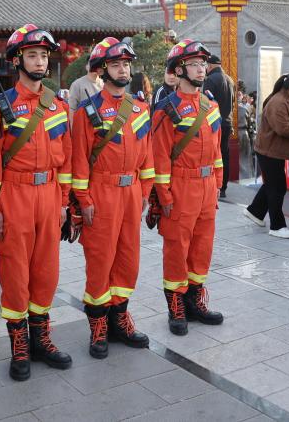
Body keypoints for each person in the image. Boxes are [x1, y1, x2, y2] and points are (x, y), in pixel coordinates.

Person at [0, 25, 73, 381]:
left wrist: (65, 202)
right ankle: (19, 346)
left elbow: (64, 160)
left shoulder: (58, 106)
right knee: (15, 274)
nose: (39, 61)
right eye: (32, 55)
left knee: (46, 271)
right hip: (14, 195)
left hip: (50, 195)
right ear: (17, 60)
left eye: (44, 55)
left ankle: (41, 340)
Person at [72, 38, 152, 358]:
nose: (124, 69)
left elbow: (147, 157)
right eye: (117, 64)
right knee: (100, 261)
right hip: (101, 193)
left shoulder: (140, 109)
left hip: (132, 192)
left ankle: (120, 319)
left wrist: (145, 193)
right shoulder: (88, 111)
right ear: (103, 71)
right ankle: (98, 327)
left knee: (128, 259)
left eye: (127, 64)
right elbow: (79, 160)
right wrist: (84, 200)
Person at [152, 39, 224, 336]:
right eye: (194, 64)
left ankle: (195, 300)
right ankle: (176, 306)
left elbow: (217, 149)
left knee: (202, 247)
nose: (201, 69)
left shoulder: (211, 105)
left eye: (202, 64)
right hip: (181, 186)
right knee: (176, 248)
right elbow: (159, 156)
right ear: (179, 69)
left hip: (207, 186)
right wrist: (164, 194)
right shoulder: (166, 110)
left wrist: (218, 184)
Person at [246, 73, 289, 238]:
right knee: (277, 188)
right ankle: (277, 226)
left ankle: (255, 211)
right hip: (269, 151)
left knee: (274, 185)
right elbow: (284, 129)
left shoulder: (288, 99)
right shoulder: (278, 102)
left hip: (274, 151)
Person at [204, 54, 235, 197]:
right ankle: (223, 187)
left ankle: (215, 184)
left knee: (214, 154)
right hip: (227, 122)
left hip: (214, 124)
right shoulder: (230, 80)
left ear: (209, 66)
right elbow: (233, 103)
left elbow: (205, 104)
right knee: (225, 155)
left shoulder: (210, 79)